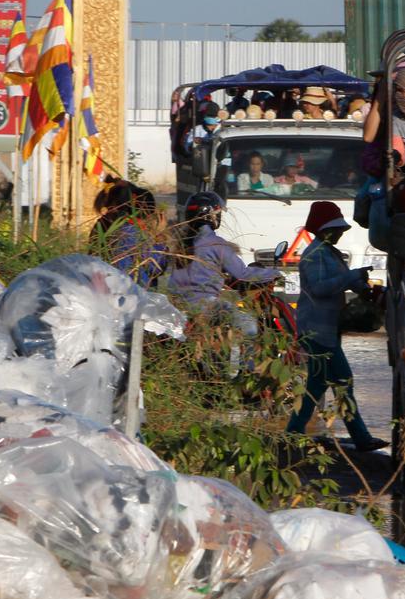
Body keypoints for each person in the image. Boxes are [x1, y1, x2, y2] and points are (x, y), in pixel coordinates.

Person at [286, 201, 388, 452]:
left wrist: (366, 288)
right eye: (336, 229)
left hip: (326, 329)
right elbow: (321, 288)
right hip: (316, 330)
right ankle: (361, 438)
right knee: (343, 382)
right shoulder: (314, 255)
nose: (341, 233)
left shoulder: (329, 253)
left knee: (318, 384)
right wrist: (352, 277)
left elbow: (343, 282)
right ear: (324, 230)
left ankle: (293, 433)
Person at [167, 191, 281, 335]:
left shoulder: (180, 243)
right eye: (218, 213)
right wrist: (274, 273)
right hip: (204, 305)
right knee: (250, 326)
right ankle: (241, 358)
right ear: (211, 216)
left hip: (176, 303)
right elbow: (242, 274)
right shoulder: (215, 244)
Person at [90, 180, 169, 288]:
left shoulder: (113, 226)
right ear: (148, 213)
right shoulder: (131, 233)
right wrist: (159, 237)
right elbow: (155, 268)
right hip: (130, 294)